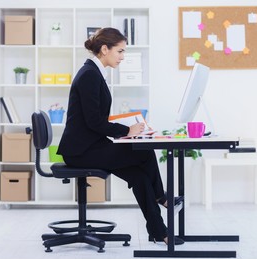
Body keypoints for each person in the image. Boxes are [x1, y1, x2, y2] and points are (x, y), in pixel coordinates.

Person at [57, 27, 183, 245]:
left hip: (92, 146)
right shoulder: (89, 75)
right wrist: (127, 131)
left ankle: (158, 231)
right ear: (104, 49)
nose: (123, 57)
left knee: (139, 177)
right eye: (120, 51)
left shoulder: (94, 73)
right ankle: (162, 197)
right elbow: (94, 122)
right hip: (81, 152)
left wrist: (128, 127)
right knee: (144, 152)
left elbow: (96, 119)